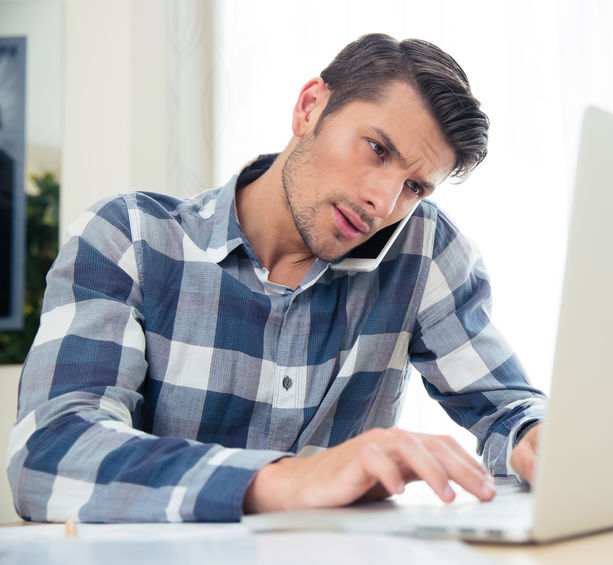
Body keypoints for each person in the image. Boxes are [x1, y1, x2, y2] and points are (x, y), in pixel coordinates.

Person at [6, 33, 546, 523]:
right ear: (310, 107)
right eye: (377, 149)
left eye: (414, 187)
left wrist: (541, 441)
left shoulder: (422, 249)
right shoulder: (131, 237)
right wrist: (283, 479)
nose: (383, 201)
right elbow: (49, 451)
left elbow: (510, 410)